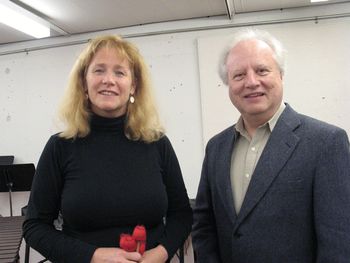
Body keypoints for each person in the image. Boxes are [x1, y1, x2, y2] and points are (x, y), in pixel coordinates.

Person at [23, 35, 193, 263]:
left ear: (133, 85)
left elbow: (181, 215)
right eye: (99, 70)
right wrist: (92, 256)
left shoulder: (157, 143)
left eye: (119, 72)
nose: (108, 80)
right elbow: (35, 227)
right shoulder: (60, 147)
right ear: (84, 83)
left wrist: (161, 253)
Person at [192, 28, 350, 263]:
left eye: (262, 70)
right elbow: (204, 226)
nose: (251, 82)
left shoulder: (326, 143)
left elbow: (338, 240)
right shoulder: (216, 148)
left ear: (281, 75)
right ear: (228, 85)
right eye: (239, 75)